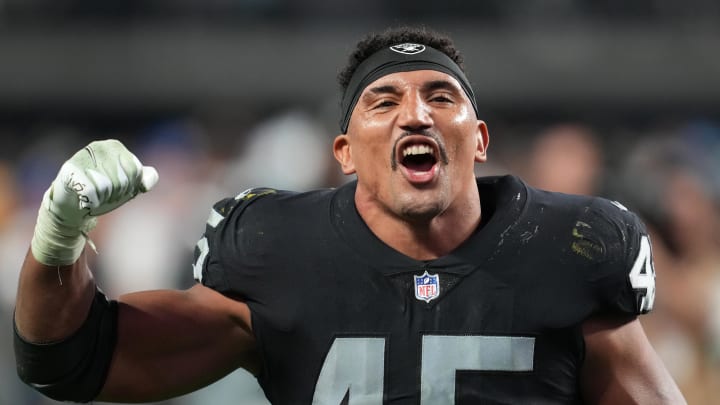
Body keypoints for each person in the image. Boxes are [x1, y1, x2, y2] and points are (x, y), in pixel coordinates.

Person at [13, 26, 686, 404]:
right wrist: (57, 242)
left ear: (477, 139)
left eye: (440, 96)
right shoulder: (282, 253)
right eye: (384, 100)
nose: (416, 112)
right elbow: (69, 359)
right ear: (346, 152)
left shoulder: (569, 248)